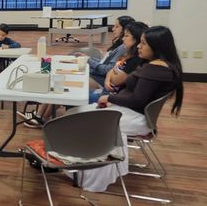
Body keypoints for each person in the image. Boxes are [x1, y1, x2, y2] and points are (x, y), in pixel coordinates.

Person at [69, 26, 184, 192]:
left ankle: (85, 172)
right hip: (135, 113)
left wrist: (108, 98)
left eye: (144, 43)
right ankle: (81, 166)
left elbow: (137, 100)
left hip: (135, 117)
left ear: (157, 46)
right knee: (79, 114)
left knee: (79, 117)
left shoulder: (155, 70)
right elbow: (130, 92)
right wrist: (112, 100)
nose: (139, 46)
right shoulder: (160, 67)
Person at [86, 15, 135, 86]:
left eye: (117, 26)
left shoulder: (123, 47)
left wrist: (88, 60)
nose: (113, 29)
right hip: (100, 76)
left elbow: (107, 70)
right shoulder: (120, 44)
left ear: (125, 29)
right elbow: (104, 63)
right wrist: (88, 58)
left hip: (102, 80)